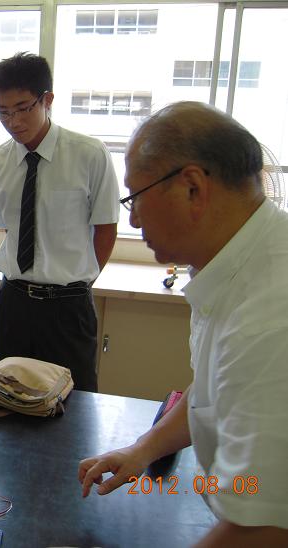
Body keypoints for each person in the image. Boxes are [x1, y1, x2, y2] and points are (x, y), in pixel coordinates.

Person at [78, 102, 288, 546]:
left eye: (135, 197)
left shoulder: (269, 316)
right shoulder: (232, 266)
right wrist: (142, 450)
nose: (132, 219)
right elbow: (212, 393)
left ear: (192, 187)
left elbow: (262, 529)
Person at [0, 52, 120, 391]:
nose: (13, 121)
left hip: (68, 307)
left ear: (48, 100)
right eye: (4, 111)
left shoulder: (89, 154)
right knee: (10, 398)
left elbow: (106, 227)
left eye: (23, 108)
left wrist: (77, 279)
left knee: (75, 405)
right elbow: (10, 228)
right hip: (13, 303)